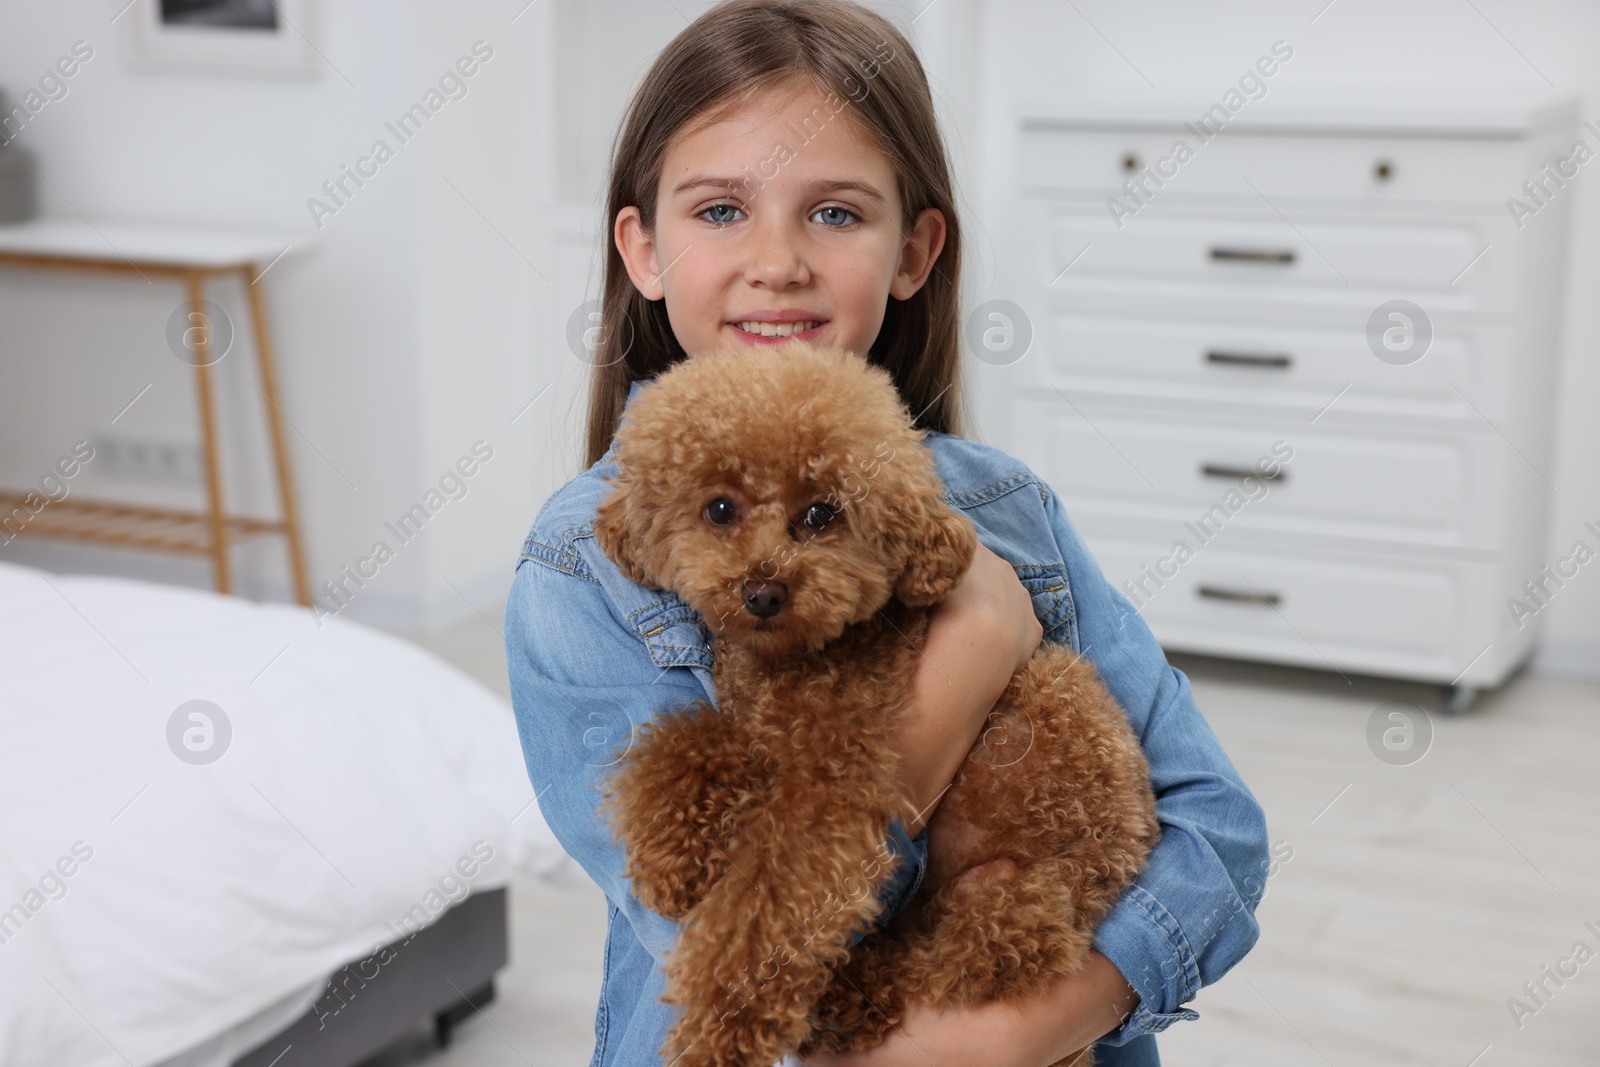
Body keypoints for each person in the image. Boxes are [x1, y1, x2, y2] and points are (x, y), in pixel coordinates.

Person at [503, 2, 1271, 1064]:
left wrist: (1016, 1035)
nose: (776, 261)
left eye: (834, 213)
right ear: (642, 250)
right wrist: (970, 657)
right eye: (720, 209)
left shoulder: (1007, 511)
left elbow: (1217, 831)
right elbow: (721, 940)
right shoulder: (578, 564)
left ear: (913, 251)